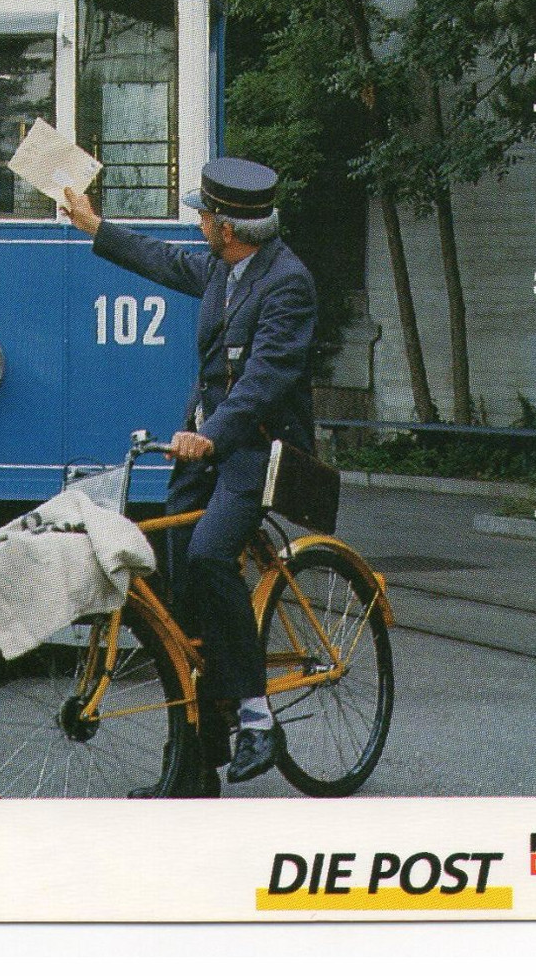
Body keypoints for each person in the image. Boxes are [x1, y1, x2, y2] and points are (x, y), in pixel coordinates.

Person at [62, 158, 317, 796]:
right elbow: (163, 260)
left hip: (254, 451)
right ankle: (194, 769)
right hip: (203, 447)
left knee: (207, 558)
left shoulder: (288, 283)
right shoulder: (222, 268)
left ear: (225, 225)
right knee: (174, 585)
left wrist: (213, 435)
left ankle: (256, 717)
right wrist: (96, 226)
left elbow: (266, 378)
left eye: (203, 215)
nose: (197, 223)